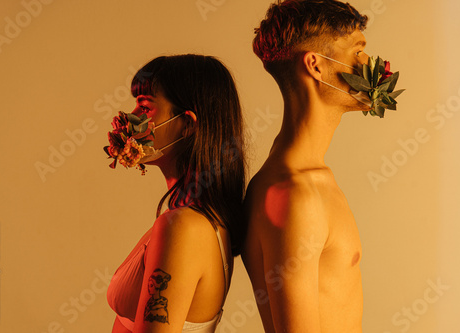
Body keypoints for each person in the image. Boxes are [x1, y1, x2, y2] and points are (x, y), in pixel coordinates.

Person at [241, 1, 370, 332]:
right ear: (315, 65)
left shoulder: (311, 179)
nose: (370, 64)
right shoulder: (293, 194)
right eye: (358, 52)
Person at [106, 54, 246, 333]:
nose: (130, 118)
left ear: (188, 124)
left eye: (145, 106)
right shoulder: (192, 219)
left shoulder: (183, 228)